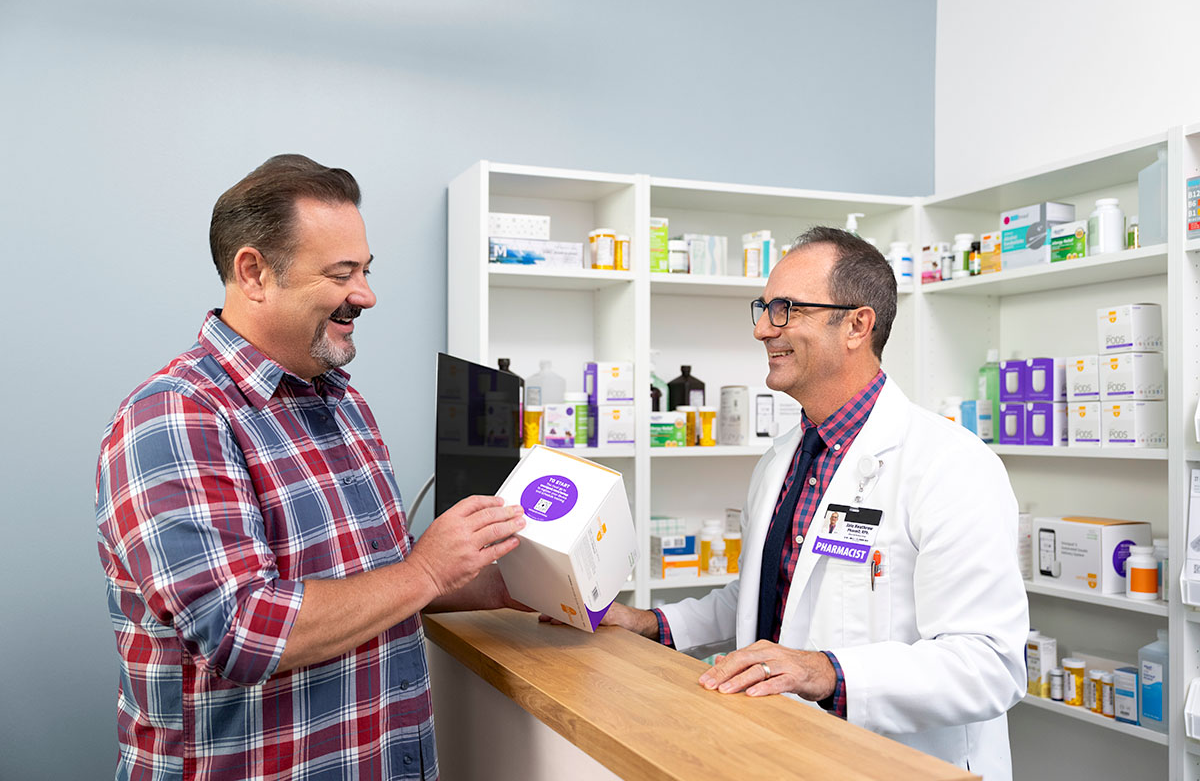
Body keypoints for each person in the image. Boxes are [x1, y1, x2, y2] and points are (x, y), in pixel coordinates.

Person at [94, 154, 527, 780]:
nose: (366, 294)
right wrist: (429, 568)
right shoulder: (176, 416)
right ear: (254, 273)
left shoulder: (343, 404)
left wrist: (514, 587)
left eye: (366, 270)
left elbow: (379, 575)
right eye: (341, 273)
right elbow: (242, 631)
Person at [602, 227, 1028, 778]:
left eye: (786, 309)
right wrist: (646, 623)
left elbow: (989, 663)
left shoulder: (950, 465)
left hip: (898, 764)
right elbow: (764, 597)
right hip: (787, 750)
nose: (762, 329)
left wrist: (825, 672)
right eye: (763, 308)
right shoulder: (781, 460)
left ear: (857, 325)